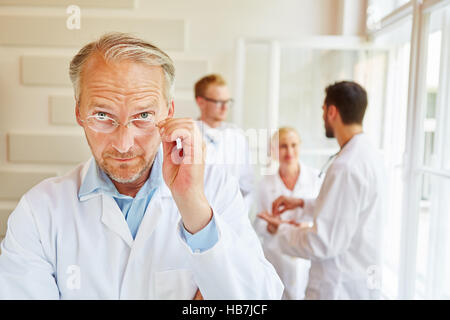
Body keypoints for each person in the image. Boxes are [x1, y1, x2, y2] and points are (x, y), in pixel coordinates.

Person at [0, 33, 283, 300]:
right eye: (102, 115)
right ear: (78, 112)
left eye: (144, 115)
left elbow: (255, 300)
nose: (124, 143)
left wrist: (193, 207)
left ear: (168, 113)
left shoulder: (215, 190)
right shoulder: (39, 210)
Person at [258, 81, 386, 300]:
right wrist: (301, 203)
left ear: (331, 111)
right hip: (358, 275)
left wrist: (281, 230)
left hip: (339, 286)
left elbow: (322, 243)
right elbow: (345, 209)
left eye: (323, 110)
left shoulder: (346, 166)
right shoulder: (369, 154)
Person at [253, 127, 323, 300]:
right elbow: (258, 222)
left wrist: (305, 226)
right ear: (274, 150)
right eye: (283, 146)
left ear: (300, 146)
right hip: (277, 257)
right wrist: (270, 226)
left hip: (306, 257)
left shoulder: (317, 179)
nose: (289, 151)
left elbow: (324, 218)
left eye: (293, 145)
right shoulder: (264, 184)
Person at [194, 74, 254, 212]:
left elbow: (247, 185)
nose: (225, 107)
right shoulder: (184, 137)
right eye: (219, 102)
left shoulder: (237, 137)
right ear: (201, 102)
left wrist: (237, 215)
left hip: (233, 218)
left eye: (228, 102)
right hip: (194, 219)